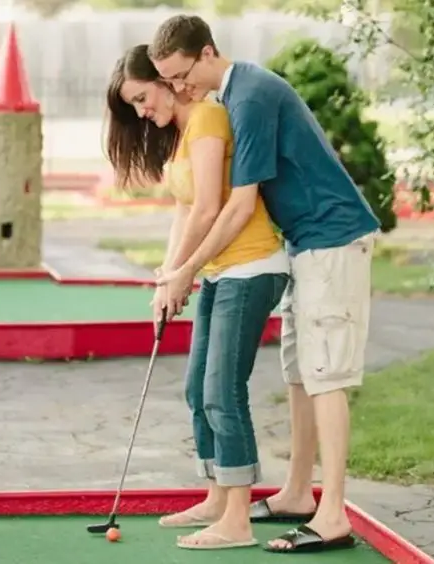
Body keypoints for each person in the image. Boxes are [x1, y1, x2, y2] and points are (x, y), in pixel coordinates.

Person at [148, 15, 380, 554]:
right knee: (301, 372)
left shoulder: (248, 97)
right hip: (305, 242)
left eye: (181, 76)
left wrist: (185, 270)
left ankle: (333, 514)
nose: (179, 89)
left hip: (334, 238)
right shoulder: (233, 95)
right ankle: (299, 493)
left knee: (326, 376)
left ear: (206, 53)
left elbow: (237, 208)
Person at [105, 44, 289, 550]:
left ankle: (237, 518)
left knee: (222, 392)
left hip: (251, 266)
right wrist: (168, 276)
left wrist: (182, 272)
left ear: (167, 81)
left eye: (144, 98)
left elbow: (211, 207)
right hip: (218, 272)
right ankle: (215, 495)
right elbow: (184, 213)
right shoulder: (185, 134)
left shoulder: (208, 116)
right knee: (196, 390)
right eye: (135, 106)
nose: (143, 112)